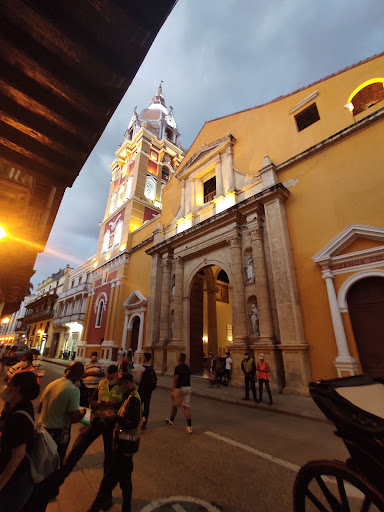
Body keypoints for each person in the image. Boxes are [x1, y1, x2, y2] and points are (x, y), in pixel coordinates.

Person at [87, 372, 141, 512]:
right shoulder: (129, 396)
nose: (120, 387)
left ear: (128, 383)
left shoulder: (133, 399)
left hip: (124, 448)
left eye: (122, 384)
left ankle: (93, 509)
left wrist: (115, 418)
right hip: (125, 447)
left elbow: (132, 423)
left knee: (107, 483)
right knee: (125, 483)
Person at [0, 372, 40, 511]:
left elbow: (17, 456)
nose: (6, 384)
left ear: (17, 388)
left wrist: (1, 483)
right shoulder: (14, 406)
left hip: (16, 481)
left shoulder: (20, 416)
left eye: (9, 382)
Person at [39, 361, 86, 465]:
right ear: (79, 375)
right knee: (55, 464)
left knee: (42, 464)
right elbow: (74, 418)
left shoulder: (52, 384)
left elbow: (40, 407)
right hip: (58, 434)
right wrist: (83, 413)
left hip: (42, 431)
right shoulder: (73, 390)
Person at [165, 353, 193, 434]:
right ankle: (189, 426)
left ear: (179, 359)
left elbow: (175, 379)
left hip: (180, 388)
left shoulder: (178, 368)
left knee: (175, 405)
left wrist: (172, 389)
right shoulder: (188, 368)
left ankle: (171, 421)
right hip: (188, 388)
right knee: (186, 407)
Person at [137, 352, 157, 430]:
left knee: (138, 405)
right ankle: (144, 423)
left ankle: (139, 420)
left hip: (142, 389)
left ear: (144, 358)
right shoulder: (153, 368)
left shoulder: (142, 368)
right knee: (146, 406)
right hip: (149, 390)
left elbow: (137, 380)